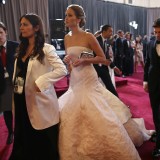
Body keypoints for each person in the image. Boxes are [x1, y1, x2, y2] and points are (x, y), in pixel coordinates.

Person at [57, 4, 154, 160]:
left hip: (88, 77)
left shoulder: (88, 36)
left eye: (69, 15)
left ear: (79, 19)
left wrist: (83, 60)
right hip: (75, 79)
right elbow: (71, 61)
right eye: (66, 15)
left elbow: (102, 58)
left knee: (95, 109)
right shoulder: (67, 38)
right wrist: (68, 61)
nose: (66, 18)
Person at [9, 13, 67, 160]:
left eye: (25, 24)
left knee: (40, 136)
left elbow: (62, 69)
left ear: (36, 27)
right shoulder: (21, 47)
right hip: (20, 97)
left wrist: (41, 82)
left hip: (39, 99)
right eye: (21, 24)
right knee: (23, 132)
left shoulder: (46, 48)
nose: (21, 27)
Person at [143, 17, 160, 158]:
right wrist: (145, 81)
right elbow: (148, 62)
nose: (157, 35)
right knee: (156, 112)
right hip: (154, 83)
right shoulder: (150, 43)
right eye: (156, 32)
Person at [0, 22, 19, 145]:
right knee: (7, 109)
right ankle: (11, 133)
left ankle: (21, 130)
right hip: (3, 83)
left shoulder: (16, 46)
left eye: (0, 33)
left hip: (17, 81)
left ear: (5, 32)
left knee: (21, 107)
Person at [94, 25, 121, 96]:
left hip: (103, 68)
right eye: (110, 31)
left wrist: (114, 67)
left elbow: (107, 56)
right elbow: (92, 55)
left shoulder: (105, 41)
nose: (111, 33)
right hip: (94, 69)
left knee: (110, 87)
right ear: (104, 31)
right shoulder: (96, 40)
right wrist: (102, 61)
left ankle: (118, 105)